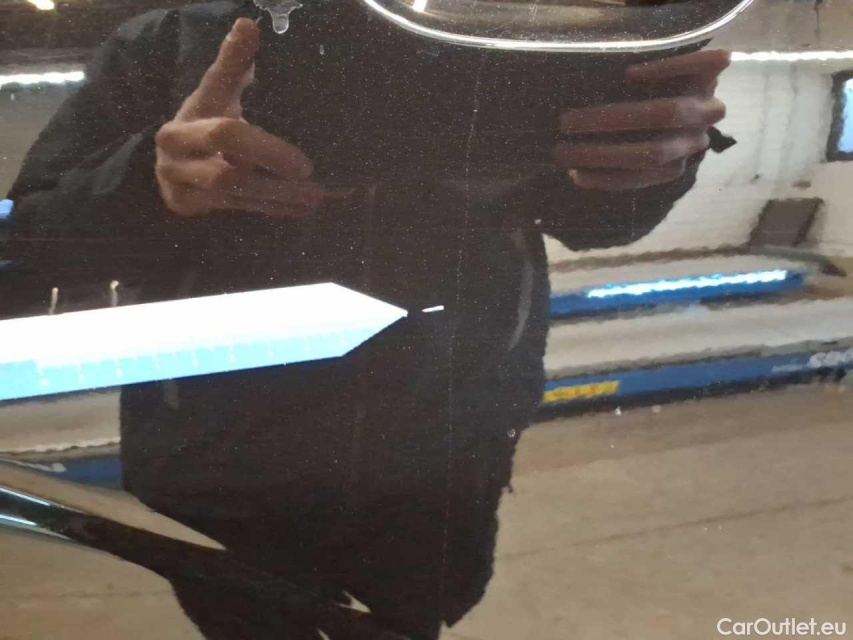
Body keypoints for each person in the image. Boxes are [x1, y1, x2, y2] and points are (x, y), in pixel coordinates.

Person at [6, 2, 731, 637]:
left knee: (404, 624)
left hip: (440, 466)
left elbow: (594, 220)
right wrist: (151, 184)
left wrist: (650, 170)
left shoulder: (532, 37)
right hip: (224, 475)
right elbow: (29, 247)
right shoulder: (172, 42)